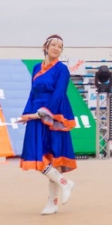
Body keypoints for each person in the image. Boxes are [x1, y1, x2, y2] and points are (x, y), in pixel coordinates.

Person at [17, 34, 76, 215]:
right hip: (36, 113)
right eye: (54, 45)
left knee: (54, 156)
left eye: (60, 46)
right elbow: (33, 93)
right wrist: (27, 114)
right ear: (45, 47)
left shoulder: (62, 69)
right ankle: (65, 183)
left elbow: (59, 93)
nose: (57, 48)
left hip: (54, 113)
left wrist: (44, 112)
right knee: (36, 153)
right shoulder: (36, 68)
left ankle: (52, 202)